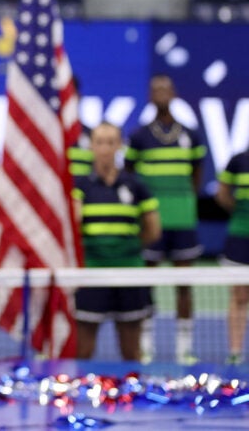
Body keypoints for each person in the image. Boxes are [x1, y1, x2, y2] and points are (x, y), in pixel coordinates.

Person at [125, 74, 206, 364]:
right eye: (155, 89)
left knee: (184, 284)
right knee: (147, 283)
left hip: (183, 222)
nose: (160, 93)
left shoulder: (191, 136)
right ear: (149, 96)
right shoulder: (138, 137)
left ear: (174, 93)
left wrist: (182, 201)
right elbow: (130, 176)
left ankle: (184, 348)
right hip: (152, 224)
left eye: (165, 88)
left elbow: (197, 175)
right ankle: (145, 344)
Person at [74, 122, 161, 362]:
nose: (105, 148)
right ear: (91, 146)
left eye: (111, 142)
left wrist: (127, 249)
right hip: (91, 273)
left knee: (131, 351)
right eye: (100, 142)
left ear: (119, 145)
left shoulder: (136, 185)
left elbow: (153, 230)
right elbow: (73, 226)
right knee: (82, 350)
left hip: (129, 272)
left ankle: (132, 398)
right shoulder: (79, 186)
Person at [216, 149, 249, 365]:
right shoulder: (238, 160)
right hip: (240, 236)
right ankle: (235, 352)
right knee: (239, 296)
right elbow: (222, 193)